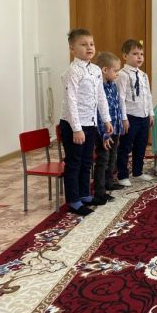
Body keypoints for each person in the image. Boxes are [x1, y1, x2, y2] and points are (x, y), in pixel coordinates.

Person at [59, 28, 112, 216]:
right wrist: (76, 129)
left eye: (91, 44)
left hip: (90, 123)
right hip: (74, 125)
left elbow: (101, 96)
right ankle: (74, 201)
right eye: (83, 44)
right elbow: (70, 101)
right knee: (74, 162)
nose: (89, 47)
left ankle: (84, 195)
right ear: (72, 48)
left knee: (87, 161)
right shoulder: (72, 71)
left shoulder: (96, 70)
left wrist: (106, 119)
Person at [116, 40, 154, 186]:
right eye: (135, 54)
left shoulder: (143, 75)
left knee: (141, 145)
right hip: (130, 116)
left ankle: (138, 171)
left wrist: (151, 113)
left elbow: (148, 95)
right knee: (125, 146)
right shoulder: (122, 74)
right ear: (125, 56)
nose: (139, 57)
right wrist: (123, 118)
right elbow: (120, 98)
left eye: (141, 54)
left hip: (143, 115)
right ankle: (122, 175)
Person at [92, 52, 125, 206]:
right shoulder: (99, 88)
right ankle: (99, 192)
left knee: (112, 156)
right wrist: (105, 133)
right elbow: (99, 113)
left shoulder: (113, 85)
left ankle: (109, 183)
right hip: (104, 131)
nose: (117, 74)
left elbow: (116, 106)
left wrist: (119, 125)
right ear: (105, 70)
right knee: (103, 159)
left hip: (115, 128)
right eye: (115, 71)